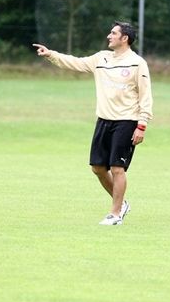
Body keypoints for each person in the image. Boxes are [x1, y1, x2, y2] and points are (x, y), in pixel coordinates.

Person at [33, 22, 153, 225]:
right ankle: (122, 203)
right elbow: (75, 63)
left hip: (127, 121)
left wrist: (142, 125)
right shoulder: (101, 58)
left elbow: (146, 94)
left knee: (117, 168)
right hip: (104, 120)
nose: (109, 36)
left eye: (113, 33)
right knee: (97, 168)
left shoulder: (137, 63)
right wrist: (50, 54)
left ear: (125, 38)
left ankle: (115, 214)